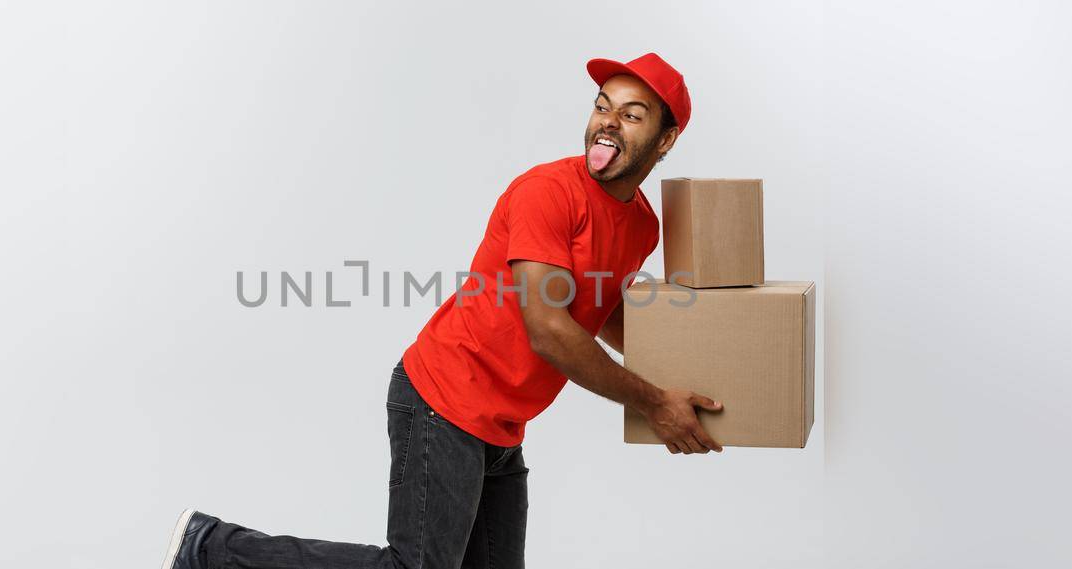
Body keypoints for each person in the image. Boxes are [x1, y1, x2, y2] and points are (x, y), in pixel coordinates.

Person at [160, 52, 722, 569]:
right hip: (445, 401)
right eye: (602, 106)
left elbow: (598, 309)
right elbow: (549, 330)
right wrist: (654, 402)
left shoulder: (643, 222)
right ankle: (209, 549)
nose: (607, 122)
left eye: (631, 115)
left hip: (502, 427)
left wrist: (685, 364)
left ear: (666, 139)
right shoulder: (546, 193)